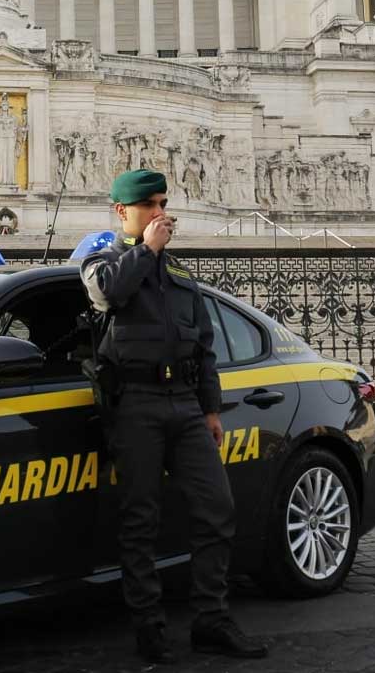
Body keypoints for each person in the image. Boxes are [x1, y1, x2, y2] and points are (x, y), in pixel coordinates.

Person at [79, 169, 267, 664]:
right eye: (151, 206)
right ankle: (149, 626)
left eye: (164, 203)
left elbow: (203, 346)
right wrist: (146, 250)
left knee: (216, 508)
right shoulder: (104, 260)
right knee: (140, 518)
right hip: (135, 404)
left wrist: (210, 408)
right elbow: (108, 294)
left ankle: (212, 618)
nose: (162, 214)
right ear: (123, 212)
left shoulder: (181, 276)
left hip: (183, 403)